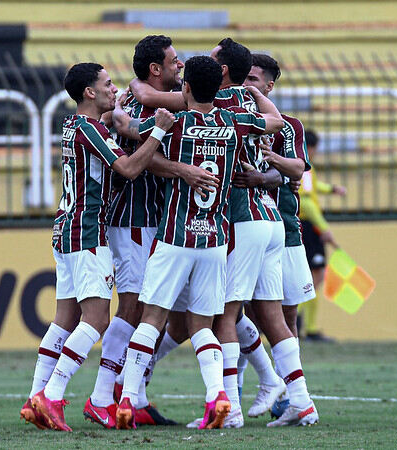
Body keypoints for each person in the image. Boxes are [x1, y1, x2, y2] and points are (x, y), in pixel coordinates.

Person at [111, 55, 285, 430]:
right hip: (215, 240)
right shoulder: (233, 120)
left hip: (175, 235)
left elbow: (126, 127)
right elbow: (275, 121)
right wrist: (254, 92)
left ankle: (125, 399)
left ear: (185, 88)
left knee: (152, 318)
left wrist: (126, 105)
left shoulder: (176, 123)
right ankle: (217, 397)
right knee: (203, 327)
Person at [19, 62, 176, 432]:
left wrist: (115, 114)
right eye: (107, 85)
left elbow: (107, 143)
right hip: (87, 231)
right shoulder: (89, 129)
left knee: (65, 319)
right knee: (97, 319)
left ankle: (35, 396)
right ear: (89, 92)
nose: (114, 89)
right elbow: (128, 169)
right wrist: (159, 133)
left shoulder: (75, 125)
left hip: (66, 228)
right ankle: (51, 395)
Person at [83, 34, 183, 429]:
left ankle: (134, 393)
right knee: (133, 307)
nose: (180, 67)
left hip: (156, 219)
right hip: (133, 220)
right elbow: (145, 153)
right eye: (174, 62)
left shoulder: (155, 99)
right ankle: (103, 395)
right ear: (155, 68)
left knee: (157, 310)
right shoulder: (135, 105)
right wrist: (183, 169)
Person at [237, 53, 319, 423]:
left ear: (269, 86)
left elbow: (297, 169)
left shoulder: (287, 126)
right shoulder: (238, 119)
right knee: (243, 313)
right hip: (249, 227)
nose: (247, 84)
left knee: (284, 317)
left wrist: (272, 167)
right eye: (244, 77)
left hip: (284, 229)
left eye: (254, 79)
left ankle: (287, 392)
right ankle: (250, 389)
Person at [297, 130, 346, 342]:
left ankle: (304, 326)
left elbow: (312, 189)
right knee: (314, 277)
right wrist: (324, 229)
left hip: (301, 226)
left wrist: (332, 189)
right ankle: (304, 325)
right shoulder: (304, 166)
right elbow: (306, 201)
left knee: (310, 278)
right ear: (311, 147)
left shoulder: (295, 164)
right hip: (309, 226)